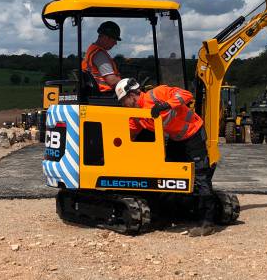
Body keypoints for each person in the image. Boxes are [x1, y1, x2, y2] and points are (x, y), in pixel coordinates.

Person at [115, 78, 216, 237]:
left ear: (133, 94)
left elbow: (186, 94)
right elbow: (129, 132)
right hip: (176, 139)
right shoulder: (136, 115)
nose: (124, 104)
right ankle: (167, 216)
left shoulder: (157, 94)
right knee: (167, 175)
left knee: (201, 176)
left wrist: (166, 104)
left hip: (193, 134)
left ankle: (206, 222)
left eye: (124, 100)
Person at [82, 21, 122, 93]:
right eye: (115, 39)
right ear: (106, 38)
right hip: (106, 94)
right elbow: (112, 81)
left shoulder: (92, 50)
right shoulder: (99, 54)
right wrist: (129, 83)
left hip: (98, 93)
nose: (115, 43)